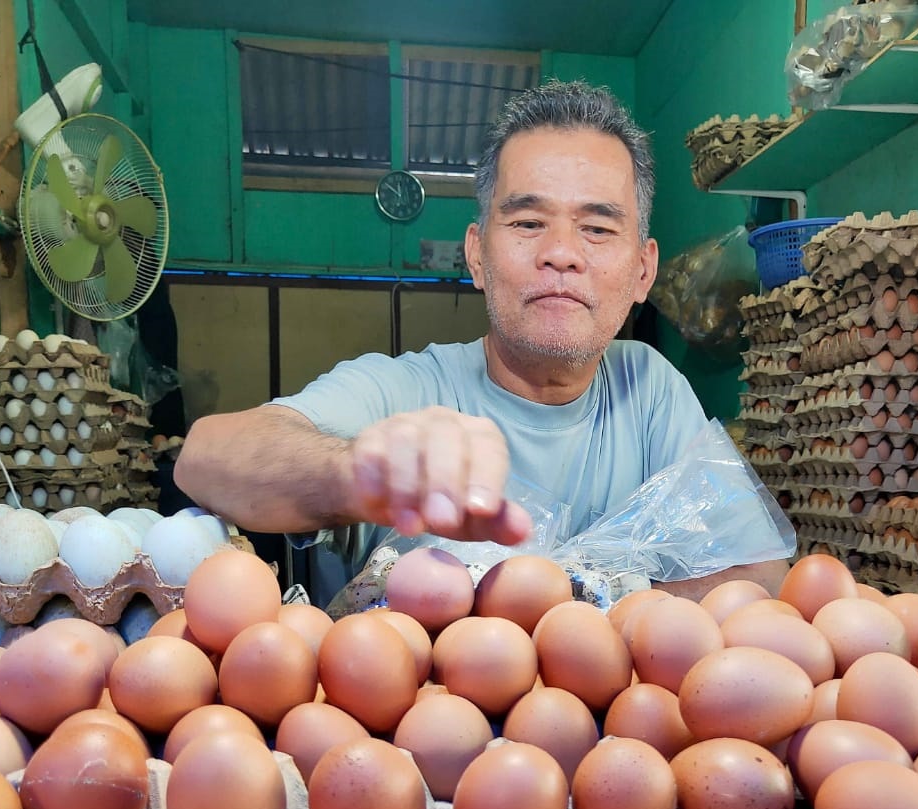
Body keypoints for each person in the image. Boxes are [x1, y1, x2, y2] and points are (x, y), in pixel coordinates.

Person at [175, 80, 792, 605]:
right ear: (477, 254)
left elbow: (755, 573)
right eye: (527, 223)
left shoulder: (649, 390)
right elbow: (205, 459)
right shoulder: (411, 394)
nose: (560, 254)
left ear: (642, 270)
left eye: (598, 228)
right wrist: (357, 476)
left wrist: (577, 602)